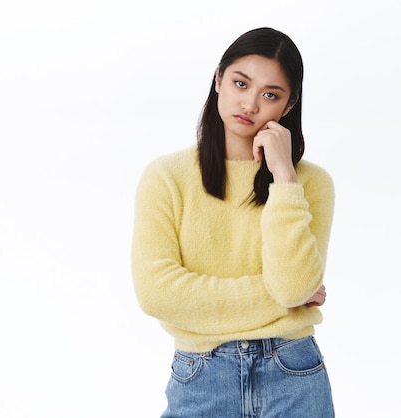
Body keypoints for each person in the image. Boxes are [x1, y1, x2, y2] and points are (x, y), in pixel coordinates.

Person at [131, 27, 335, 417]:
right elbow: (156, 294)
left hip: (293, 373)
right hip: (202, 375)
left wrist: (284, 178)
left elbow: (293, 286)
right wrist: (284, 300)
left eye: (270, 95)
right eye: (241, 83)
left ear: (288, 106)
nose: (250, 104)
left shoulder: (310, 182)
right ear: (218, 78)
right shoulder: (166, 177)